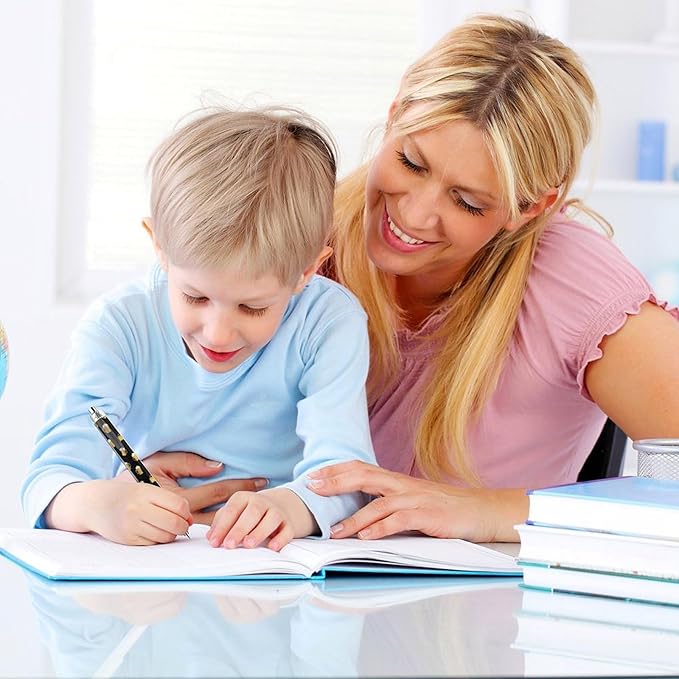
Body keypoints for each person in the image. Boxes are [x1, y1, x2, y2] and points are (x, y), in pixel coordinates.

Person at [132, 13, 679, 543]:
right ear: (394, 115)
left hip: (481, 603)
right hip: (265, 589)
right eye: (411, 163)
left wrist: (486, 510)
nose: (414, 216)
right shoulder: (299, 239)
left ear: (533, 206)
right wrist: (140, 474)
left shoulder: (576, 289)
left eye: (467, 202)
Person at [21, 106, 376, 549]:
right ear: (159, 246)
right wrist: (95, 504)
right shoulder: (119, 325)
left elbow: (348, 479)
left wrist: (291, 507)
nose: (218, 334)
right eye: (195, 297)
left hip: (275, 568)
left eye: (252, 307)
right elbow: (47, 480)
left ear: (307, 271)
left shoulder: (328, 322)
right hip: (154, 564)